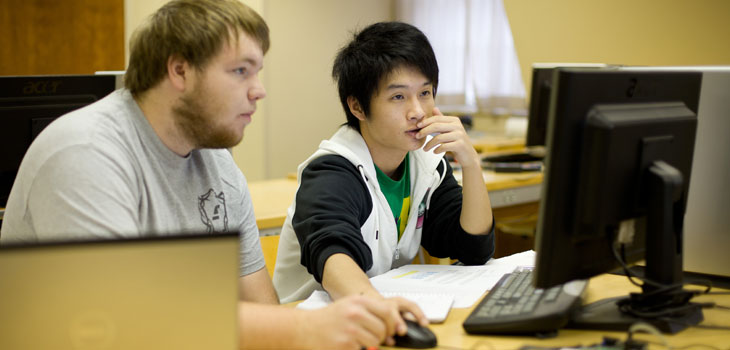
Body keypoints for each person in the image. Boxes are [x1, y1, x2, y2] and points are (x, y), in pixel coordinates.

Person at [0, 1, 414, 348]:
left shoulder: (217, 165)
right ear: (179, 71)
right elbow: (116, 319)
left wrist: (357, 320)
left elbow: (259, 309)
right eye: (241, 71)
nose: (259, 90)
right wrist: (309, 328)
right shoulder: (86, 151)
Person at [273, 20, 496, 323]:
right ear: (358, 107)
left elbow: (472, 248)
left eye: (426, 93)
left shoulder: (426, 164)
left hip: (376, 317)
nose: (418, 111)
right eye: (398, 97)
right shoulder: (332, 171)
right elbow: (333, 253)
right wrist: (381, 312)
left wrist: (471, 164)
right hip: (314, 325)